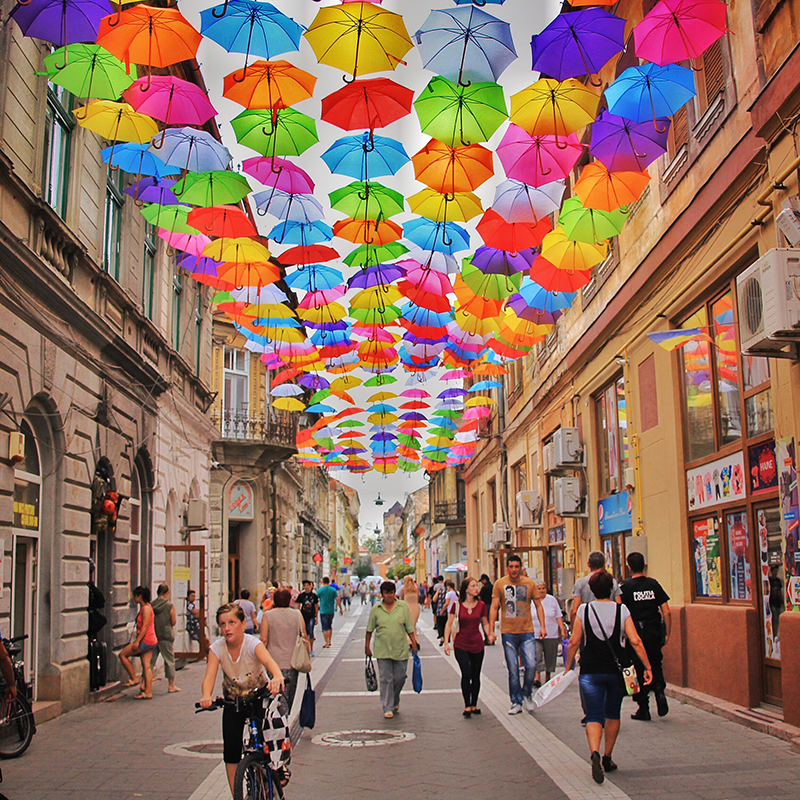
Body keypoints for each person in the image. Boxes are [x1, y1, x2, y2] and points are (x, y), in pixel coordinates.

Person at [563, 570, 652, 785]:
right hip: (615, 671)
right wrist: (648, 667)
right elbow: (635, 640)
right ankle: (607, 757)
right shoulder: (622, 610)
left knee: (594, 715)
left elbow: (574, 641)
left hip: (590, 670)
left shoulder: (584, 610)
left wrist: (568, 667)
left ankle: (594, 751)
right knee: (613, 713)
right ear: (612, 589)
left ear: (592, 590)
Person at [199, 603, 285, 795]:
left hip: (258, 696)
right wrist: (206, 696)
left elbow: (270, 663)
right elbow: (209, 677)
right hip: (233, 700)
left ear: (243, 623)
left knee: (271, 736)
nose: (227, 628)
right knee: (231, 752)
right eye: (222, 624)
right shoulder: (217, 648)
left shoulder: (252, 644)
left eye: (232, 622)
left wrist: (277, 677)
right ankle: (236, 794)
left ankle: (278, 766)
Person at [488, 554, 547, 715]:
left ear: (521, 567)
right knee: (513, 669)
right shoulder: (500, 584)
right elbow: (494, 607)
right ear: (507, 568)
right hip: (508, 633)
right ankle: (516, 701)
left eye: (517, 566)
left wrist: (542, 626)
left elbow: (538, 606)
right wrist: (491, 630)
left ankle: (526, 693)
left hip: (527, 631)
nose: (514, 570)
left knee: (531, 665)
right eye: (511, 567)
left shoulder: (529, 584)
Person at [620, 552, 671, 720]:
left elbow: (620, 611)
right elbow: (666, 610)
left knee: (638, 667)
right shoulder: (653, 584)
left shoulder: (625, 587)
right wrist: (667, 633)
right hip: (654, 630)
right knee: (656, 662)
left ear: (629, 567)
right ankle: (659, 692)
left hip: (635, 632)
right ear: (644, 565)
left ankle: (643, 707)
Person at [365, 581, 419, 719]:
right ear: (382, 594)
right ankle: (387, 706)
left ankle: (395, 699)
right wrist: (367, 646)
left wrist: (414, 642)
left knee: (400, 677)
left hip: (400, 648)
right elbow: (370, 630)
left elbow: (409, 627)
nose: (389, 596)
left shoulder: (403, 607)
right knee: (385, 678)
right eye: (386, 593)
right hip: (382, 649)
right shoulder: (376, 609)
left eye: (391, 593)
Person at [444, 576, 490, 717]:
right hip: (461, 644)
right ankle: (467, 705)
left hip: (477, 643)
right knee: (466, 673)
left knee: (476, 675)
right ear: (466, 589)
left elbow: (485, 623)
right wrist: (446, 642)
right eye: (473, 586)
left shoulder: (481, 605)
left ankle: (474, 703)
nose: (476, 588)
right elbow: (449, 623)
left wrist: (490, 634)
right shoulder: (457, 605)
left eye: (477, 586)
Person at [260, 588, 309, 712]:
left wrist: (259, 660)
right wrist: (307, 656)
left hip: (272, 663)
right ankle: (285, 721)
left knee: (275, 697)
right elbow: (305, 637)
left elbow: (264, 639)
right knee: (288, 696)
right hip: (292, 662)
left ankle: (279, 723)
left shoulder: (268, 615)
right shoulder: (297, 614)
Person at [119, 586, 157, 699]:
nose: (134, 598)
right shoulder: (148, 607)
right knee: (147, 667)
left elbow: (145, 626)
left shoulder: (145, 608)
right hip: (151, 640)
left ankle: (134, 678)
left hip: (145, 640)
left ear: (139, 596)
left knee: (123, 655)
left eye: (135, 595)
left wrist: (137, 642)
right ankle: (147, 692)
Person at [570, 551, 621, 626]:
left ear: (588, 564)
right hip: (610, 622)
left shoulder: (581, 583)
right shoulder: (612, 581)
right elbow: (619, 603)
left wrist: (574, 629)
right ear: (604, 563)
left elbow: (574, 610)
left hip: (588, 623)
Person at [533, 581, 566, 687]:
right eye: (539, 588)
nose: (541, 590)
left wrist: (562, 628)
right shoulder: (531, 600)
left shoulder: (552, 600)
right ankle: (537, 677)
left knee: (550, 655)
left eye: (543, 588)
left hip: (551, 632)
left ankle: (548, 675)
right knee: (536, 655)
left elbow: (558, 615)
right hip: (535, 632)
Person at [151, 583, 180, 693]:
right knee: (169, 660)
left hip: (154, 634)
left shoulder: (152, 605)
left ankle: (145, 684)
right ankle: (171, 685)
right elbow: (173, 621)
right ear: (167, 593)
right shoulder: (169, 605)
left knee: (150, 661)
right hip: (166, 635)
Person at [295, 580, 319, 656]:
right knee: (303, 632)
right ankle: (304, 648)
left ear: (310, 586)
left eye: (307, 585)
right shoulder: (301, 595)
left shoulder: (314, 596)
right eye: (304, 586)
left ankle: (311, 648)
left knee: (311, 632)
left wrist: (316, 617)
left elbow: (316, 606)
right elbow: (298, 605)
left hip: (311, 616)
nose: (306, 587)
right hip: (303, 616)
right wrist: (298, 615)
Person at [317, 577, 342, 648]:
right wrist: (340, 608)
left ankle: (326, 642)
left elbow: (316, 599)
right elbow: (337, 599)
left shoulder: (320, 590)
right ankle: (330, 640)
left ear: (322, 582)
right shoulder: (333, 590)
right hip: (331, 611)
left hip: (323, 611)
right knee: (329, 626)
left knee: (324, 627)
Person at [431, 576, 449, 645]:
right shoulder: (451, 592)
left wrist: (438, 592)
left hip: (439, 609)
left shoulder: (440, 590)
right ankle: (446, 638)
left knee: (440, 625)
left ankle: (442, 637)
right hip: (448, 612)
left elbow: (434, 599)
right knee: (446, 625)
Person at [769, 565, 784, 639]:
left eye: (776, 571)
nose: (776, 572)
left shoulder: (778, 580)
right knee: (774, 618)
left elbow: (780, 592)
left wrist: (782, 601)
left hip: (778, 602)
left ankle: (777, 634)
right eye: (774, 571)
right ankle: (773, 634)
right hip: (772, 602)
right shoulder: (769, 580)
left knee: (778, 619)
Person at [479, 574, 494, 645]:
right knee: (491, 622)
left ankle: (487, 638)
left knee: (485, 622)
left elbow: (479, 597)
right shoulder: (492, 587)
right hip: (492, 605)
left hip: (485, 606)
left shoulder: (484, 588)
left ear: (485, 580)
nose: (482, 582)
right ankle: (492, 637)